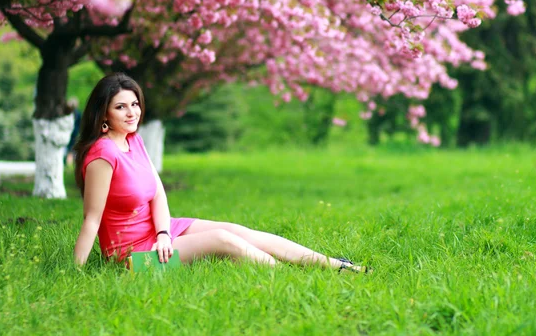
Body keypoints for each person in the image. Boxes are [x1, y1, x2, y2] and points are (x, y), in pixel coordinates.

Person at [73, 73, 367, 273]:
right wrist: (75, 272)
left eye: (134, 104)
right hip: (133, 259)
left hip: (160, 233)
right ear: (104, 114)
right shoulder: (103, 155)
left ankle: (334, 265)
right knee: (222, 241)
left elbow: (158, 193)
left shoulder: (132, 139)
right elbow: (91, 219)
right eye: (121, 107)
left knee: (238, 231)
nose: (132, 112)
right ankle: (289, 275)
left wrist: (164, 233)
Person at [65, 97, 82, 166]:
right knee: (71, 150)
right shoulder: (76, 113)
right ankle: (69, 164)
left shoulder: (72, 114)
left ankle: (69, 164)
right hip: (73, 133)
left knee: (70, 150)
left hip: (72, 134)